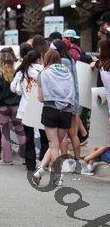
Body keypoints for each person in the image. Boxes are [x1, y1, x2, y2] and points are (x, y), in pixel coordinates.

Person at [33, 49, 76, 187]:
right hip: (67, 111)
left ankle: (58, 176)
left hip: (51, 110)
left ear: (46, 59)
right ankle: (41, 170)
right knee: (55, 143)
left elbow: (41, 98)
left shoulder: (43, 73)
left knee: (53, 144)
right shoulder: (68, 72)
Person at [11, 49, 48, 171]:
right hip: (40, 107)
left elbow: (13, 88)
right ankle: (43, 162)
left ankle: (30, 164)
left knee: (29, 137)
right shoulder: (43, 71)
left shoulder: (22, 71)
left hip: (25, 108)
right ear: (38, 59)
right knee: (44, 135)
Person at [51, 39, 81, 169]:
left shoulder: (59, 62)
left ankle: (65, 163)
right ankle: (78, 162)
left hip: (62, 102)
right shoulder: (71, 60)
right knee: (73, 134)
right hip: (73, 100)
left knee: (61, 135)